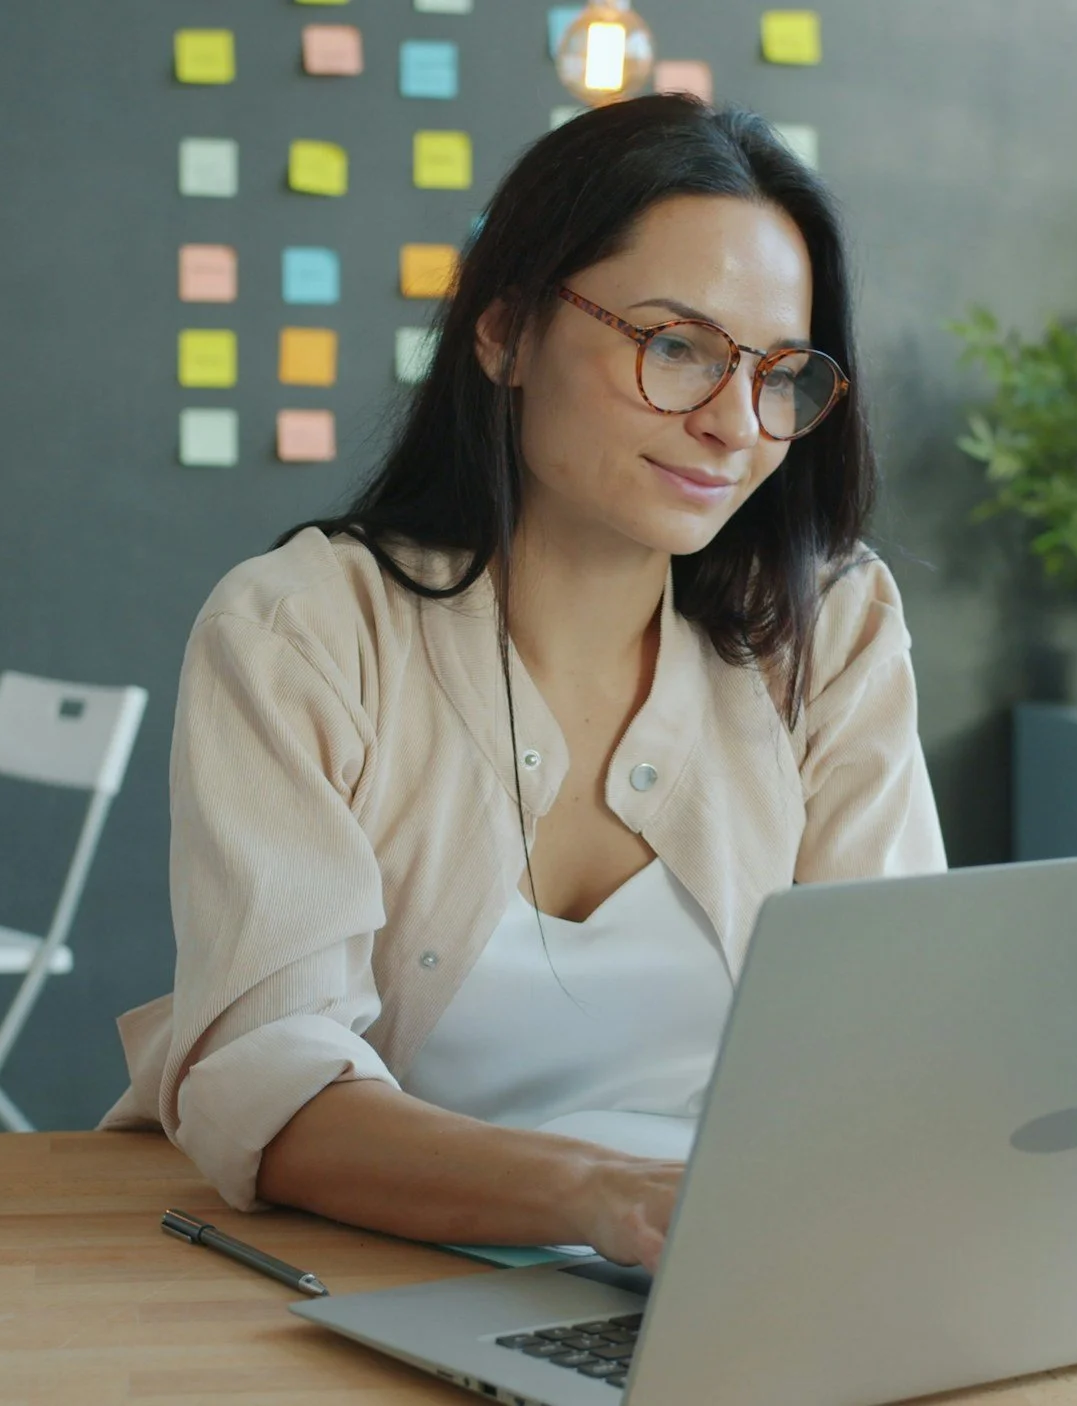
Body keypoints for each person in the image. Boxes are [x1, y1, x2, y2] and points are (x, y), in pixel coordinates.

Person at [103, 96, 944, 1272]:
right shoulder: (304, 630)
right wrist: (601, 1196)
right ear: (504, 333)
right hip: (379, 1280)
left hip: (746, 1275)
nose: (729, 424)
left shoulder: (828, 626)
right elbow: (269, 1072)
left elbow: (896, 1023)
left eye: (778, 373)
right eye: (676, 345)